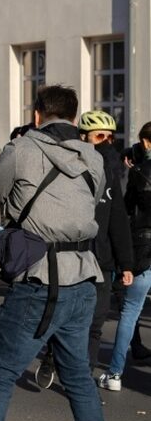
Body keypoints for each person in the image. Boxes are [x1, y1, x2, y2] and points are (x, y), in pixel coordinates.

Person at [0, 85, 106, 421]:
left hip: (39, 278)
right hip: (84, 276)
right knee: (78, 378)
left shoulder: (22, 148)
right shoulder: (93, 156)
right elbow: (84, 207)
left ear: (36, 115)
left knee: (0, 374)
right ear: (75, 117)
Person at [34, 110, 134, 389]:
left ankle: (83, 381)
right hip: (70, 256)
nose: (107, 142)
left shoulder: (111, 173)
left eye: (111, 137)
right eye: (100, 136)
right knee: (64, 317)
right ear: (84, 138)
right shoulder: (69, 170)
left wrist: (126, 264)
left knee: (95, 324)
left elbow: (118, 219)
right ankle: (53, 356)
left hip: (102, 260)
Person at [99, 122, 151, 391]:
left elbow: (126, 209)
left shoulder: (139, 173)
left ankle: (115, 374)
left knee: (130, 312)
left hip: (144, 249)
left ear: (145, 143)